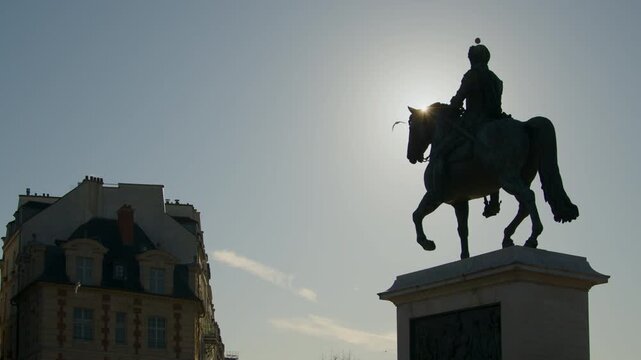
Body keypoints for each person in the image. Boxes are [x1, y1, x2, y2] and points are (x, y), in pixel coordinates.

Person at [449, 38, 503, 217]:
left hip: (475, 121)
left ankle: (440, 179)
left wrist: (452, 107)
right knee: (498, 156)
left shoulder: (472, 75)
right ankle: (494, 201)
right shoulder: (496, 79)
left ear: (473, 59)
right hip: (496, 120)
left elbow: (459, 98)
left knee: (446, 145)